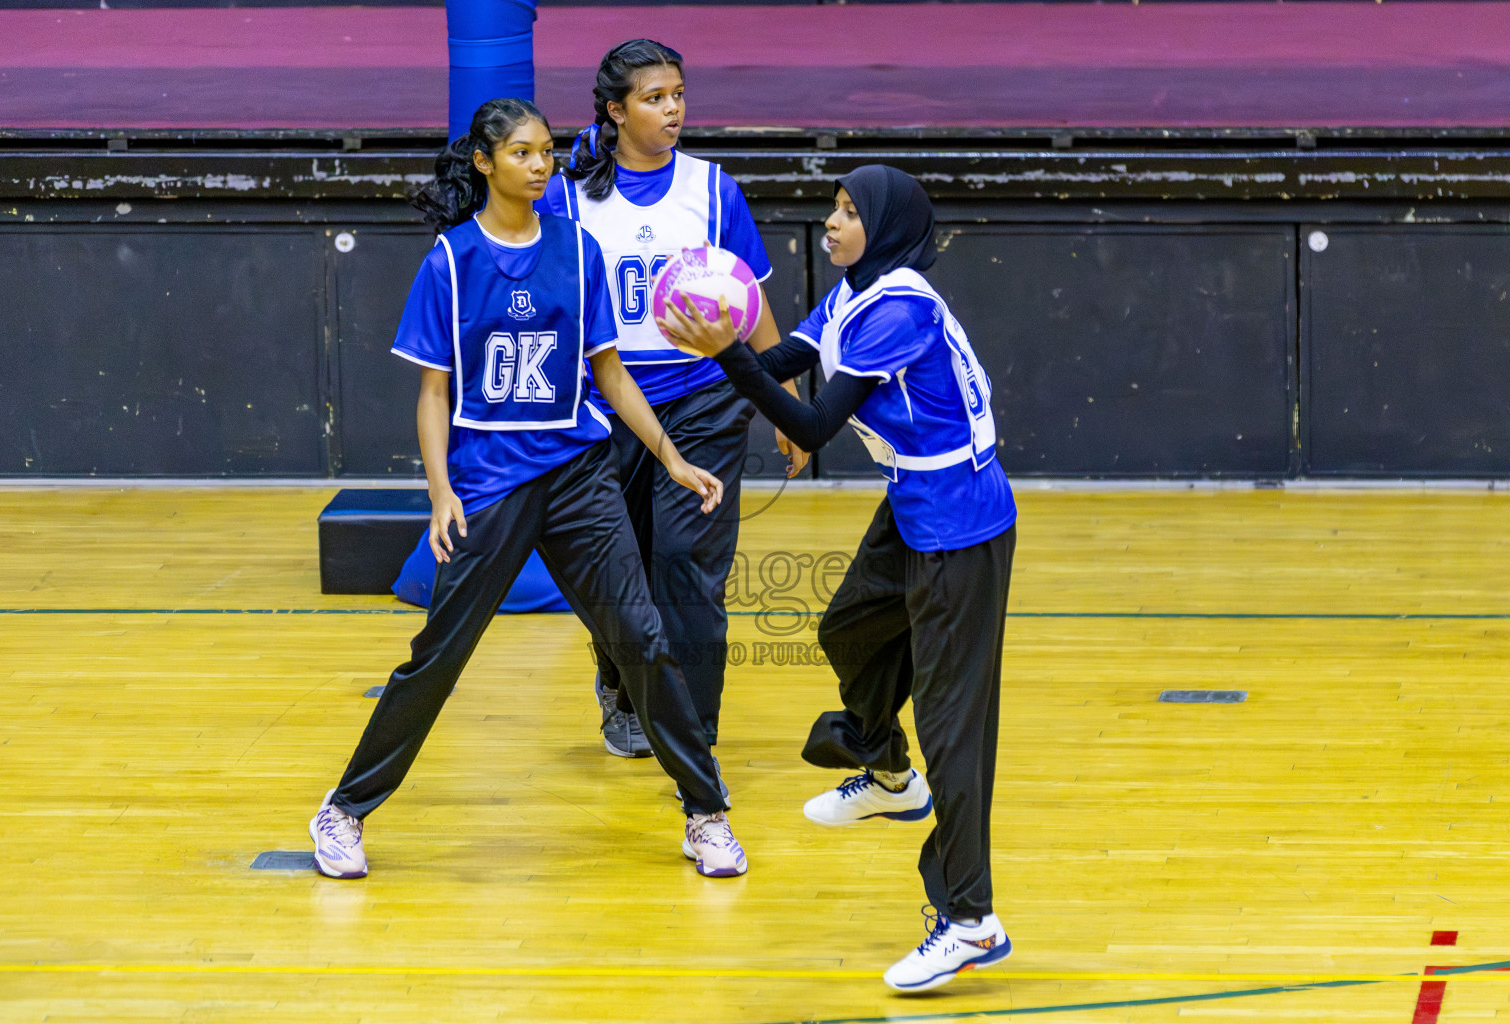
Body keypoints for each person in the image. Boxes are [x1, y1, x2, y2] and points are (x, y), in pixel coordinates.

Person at [308, 98, 747, 882]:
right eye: (523, 153)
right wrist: (441, 491)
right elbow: (434, 393)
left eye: (547, 152)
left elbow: (609, 372)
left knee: (642, 640)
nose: (542, 165)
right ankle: (343, 809)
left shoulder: (579, 251)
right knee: (438, 657)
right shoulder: (450, 260)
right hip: (488, 483)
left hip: (579, 476)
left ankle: (705, 813)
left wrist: (671, 458)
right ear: (485, 163)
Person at [660, 165, 1017, 989]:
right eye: (833, 207)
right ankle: (889, 773)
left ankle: (971, 919)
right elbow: (788, 357)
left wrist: (730, 357)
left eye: (849, 213)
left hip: (961, 524)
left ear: (886, 229)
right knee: (848, 630)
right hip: (916, 505)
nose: (831, 222)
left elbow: (814, 423)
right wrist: (722, 336)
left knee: (955, 728)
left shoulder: (898, 310)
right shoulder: (859, 289)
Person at [538, 39, 807, 776]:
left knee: (688, 564)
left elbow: (751, 308)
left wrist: (785, 406)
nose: (673, 109)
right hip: (605, 405)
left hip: (706, 397)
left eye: (679, 95)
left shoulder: (713, 189)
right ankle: (625, 691)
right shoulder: (567, 195)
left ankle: (693, 725)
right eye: (655, 98)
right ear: (616, 111)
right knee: (616, 573)